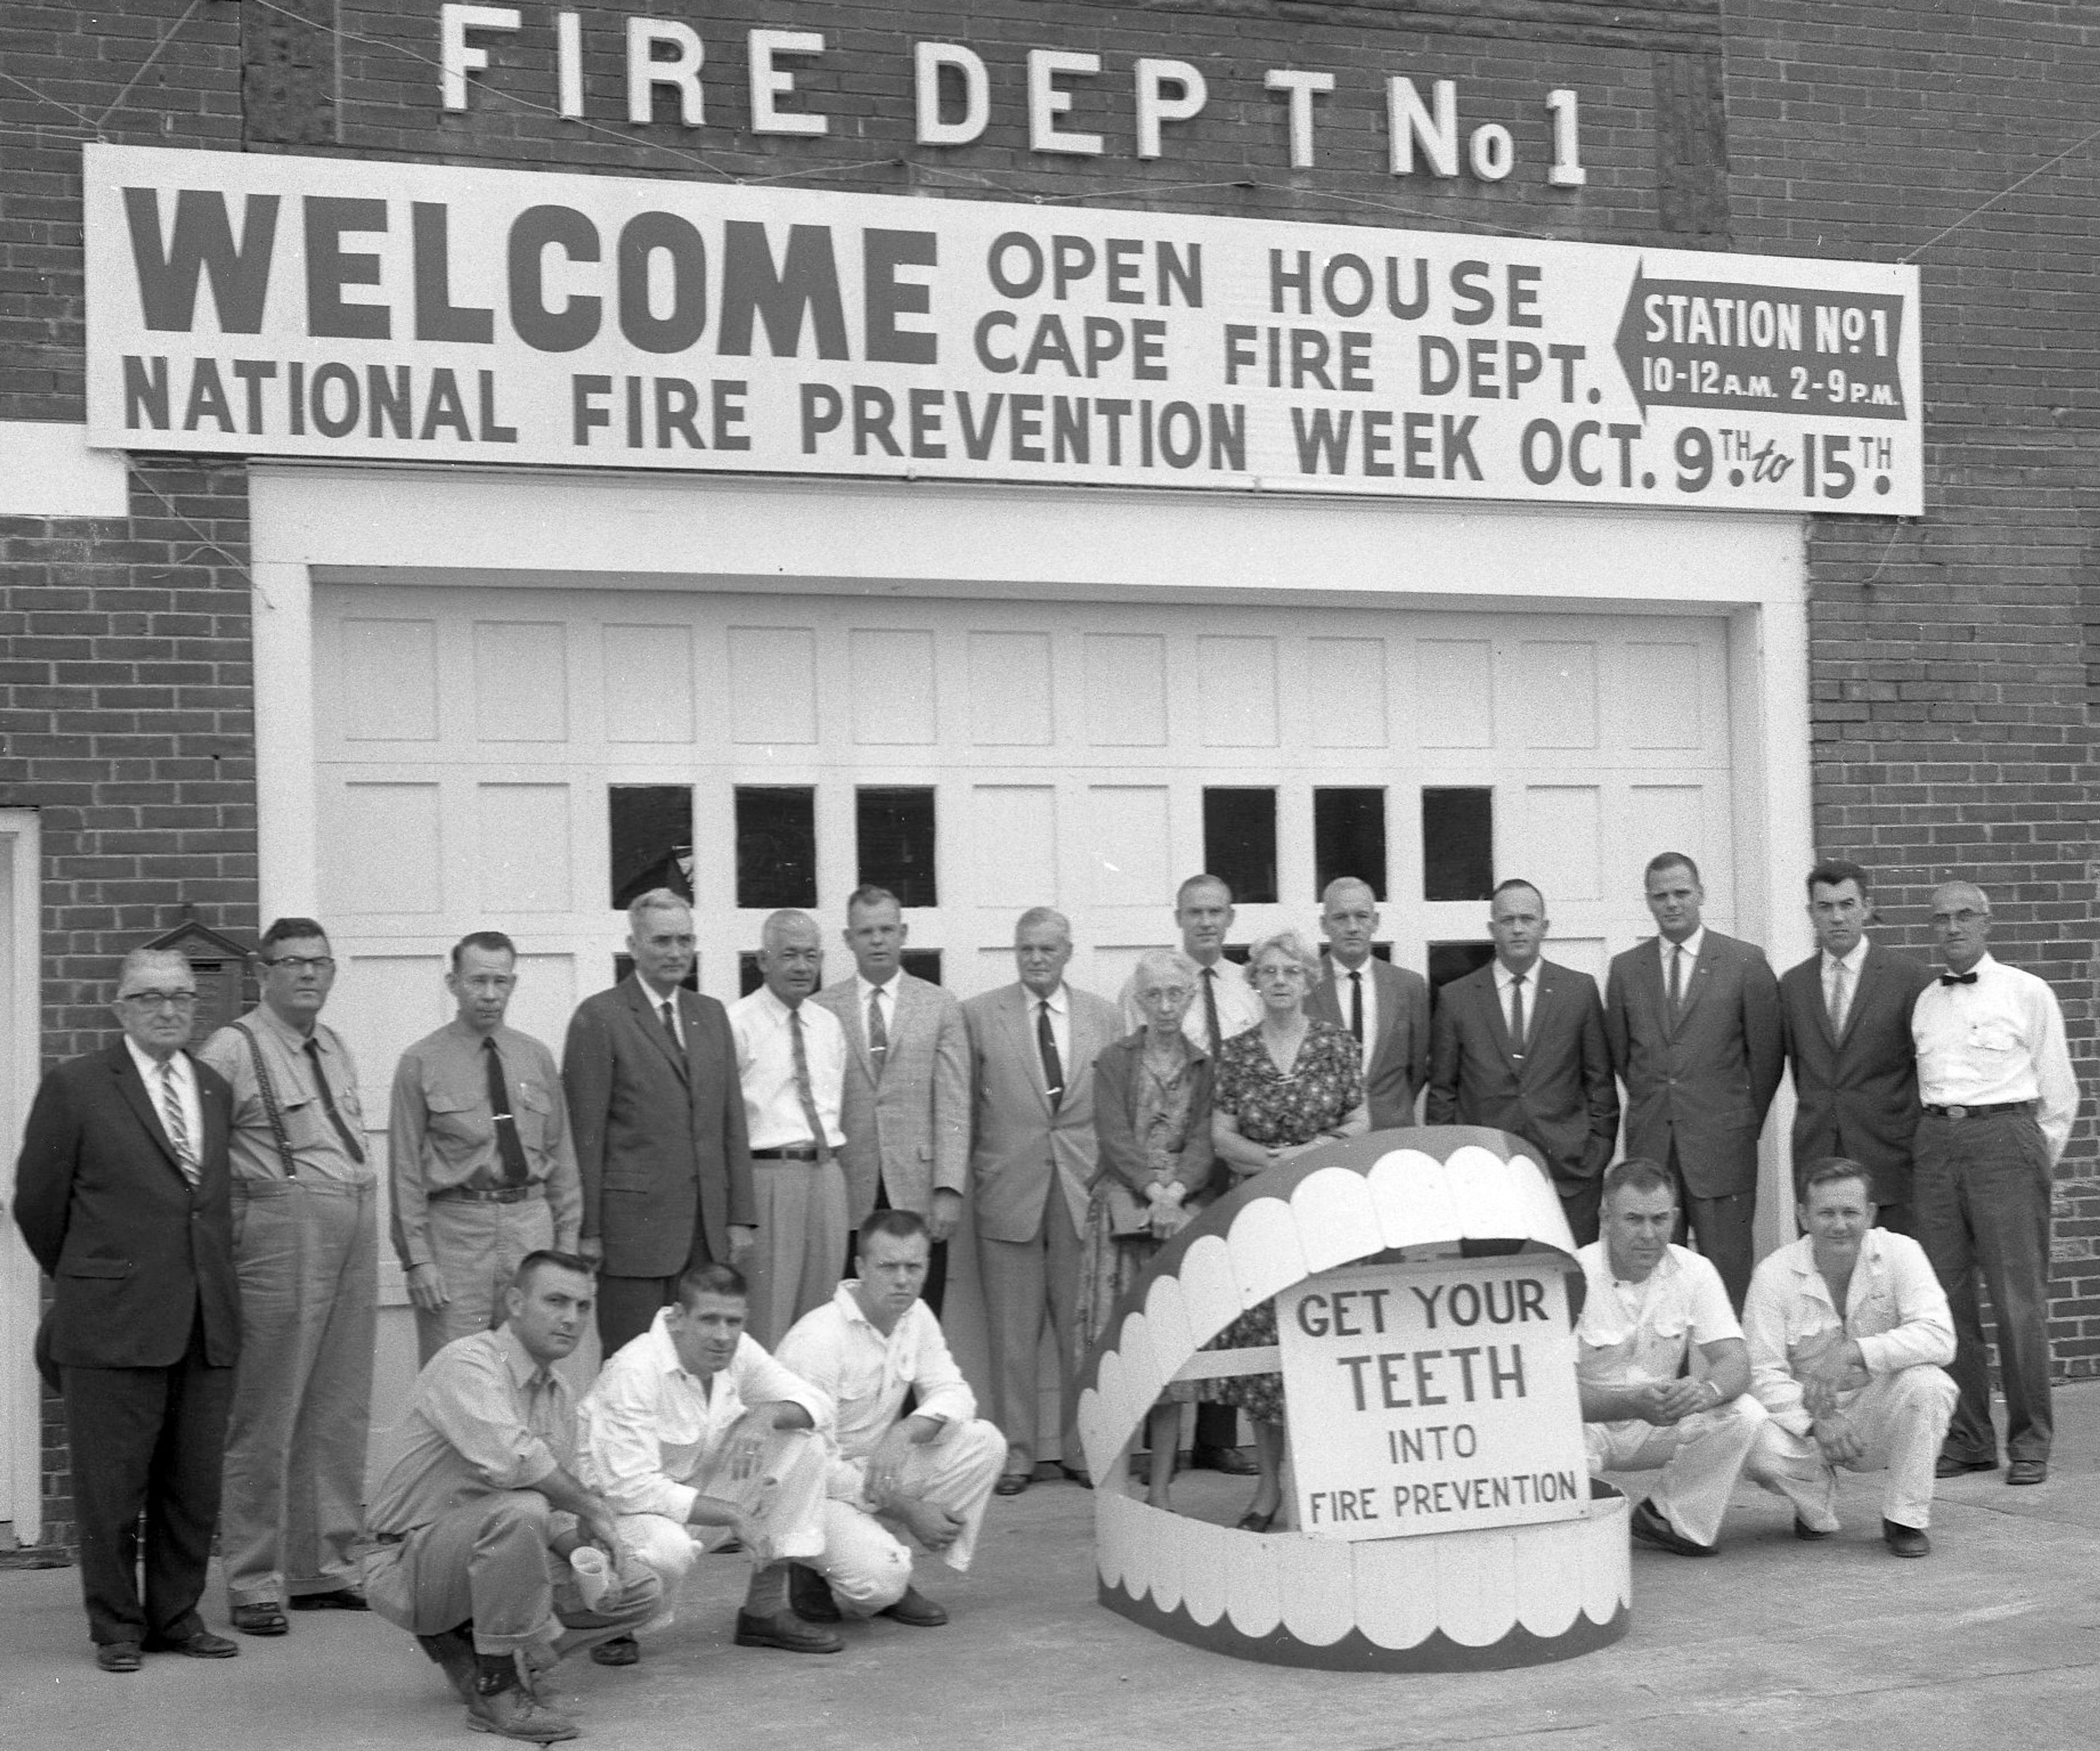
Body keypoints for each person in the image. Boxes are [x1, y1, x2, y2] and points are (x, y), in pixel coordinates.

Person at [14, 949, 242, 1672]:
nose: (168, 1009)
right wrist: (91, 1278)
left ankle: (176, 1617)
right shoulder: (76, 1086)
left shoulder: (210, 1087)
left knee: (191, 1484)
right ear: (120, 1007)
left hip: (203, 1318)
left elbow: (207, 1203)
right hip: (111, 1320)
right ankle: (116, 1625)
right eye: (149, 997)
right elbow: (38, 1203)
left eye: (180, 995)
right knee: (111, 1487)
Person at [363, 1252, 662, 1744]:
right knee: (520, 1511)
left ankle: (505, 1652)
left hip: (489, 1553)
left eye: (584, 1306)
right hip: (406, 1561)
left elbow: (557, 1515)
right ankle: (498, 1690)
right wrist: (592, 1506)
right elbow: (514, 1463)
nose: (571, 1319)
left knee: (641, 1588)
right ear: (516, 1303)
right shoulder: (469, 1362)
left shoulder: (559, 1394)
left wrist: (593, 1553)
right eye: (556, 1301)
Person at [198, 916, 377, 1635]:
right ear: (264, 970)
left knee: (338, 1406)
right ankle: (254, 1579)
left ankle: (321, 1565)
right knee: (266, 1408)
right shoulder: (231, 1048)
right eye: (294, 962)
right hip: (279, 1232)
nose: (308, 974)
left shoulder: (333, 1045)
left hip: (353, 1222)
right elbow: (201, 1163)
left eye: (320, 963)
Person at [575, 1261, 845, 1667]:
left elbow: (820, 1406)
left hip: (689, 1499)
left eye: (733, 1321)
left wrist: (764, 1414)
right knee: (669, 1547)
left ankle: (765, 1612)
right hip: (618, 1517)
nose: (723, 1336)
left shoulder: (738, 1351)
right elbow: (630, 1490)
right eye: (709, 1320)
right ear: (679, 1317)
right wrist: (732, 1513)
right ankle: (614, 1623)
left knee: (803, 1444)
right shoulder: (635, 1369)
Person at [1910, 880, 2079, 1486]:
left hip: (2005, 1141)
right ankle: (1970, 1437)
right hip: (1936, 1144)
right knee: (1947, 1302)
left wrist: (2029, 1160)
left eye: (1964, 916)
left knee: (2017, 1301)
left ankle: (2031, 1439)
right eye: (1941, 919)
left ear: (1986, 923)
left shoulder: (2027, 992)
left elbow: (2059, 1095)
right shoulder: (1925, 1002)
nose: (1952, 928)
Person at [1208, 928, 1368, 1532]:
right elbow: (1220, 1136)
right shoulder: (1239, 1052)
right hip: (1259, 1216)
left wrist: (1313, 1150)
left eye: (1290, 972)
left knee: (1323, 1350)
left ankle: (1332, 1483)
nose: (1279, 981)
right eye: (1269, 971)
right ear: (1255, 981)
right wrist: (1271, 1162)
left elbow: (1361, 1120)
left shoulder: (1335, 1044)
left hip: (1325, 1217)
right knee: (1265, 1356)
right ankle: (1269, 1489)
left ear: (1309, 980)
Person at [777, 1212, 1006, 1627]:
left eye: (914, 1267)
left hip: (871, 1473)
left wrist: (904, 1432)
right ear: (862, 1268)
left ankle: (885, 1557)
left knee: (984, 1442)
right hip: (811, 1491)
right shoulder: (818, 1340)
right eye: (888, 1266)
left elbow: (956, 1394)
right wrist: (909, 1509)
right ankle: (810, 1564)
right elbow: (808, 1464)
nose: (903, 1280)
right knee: (880, 1583)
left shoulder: (915, 1316)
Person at [966, 907, 1121, 1496]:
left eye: (1047, 949)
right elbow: (964, 1108)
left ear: (1068, 952)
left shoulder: (1103, 1017)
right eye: (1026, 949)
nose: (1036, 959)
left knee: (1084, 1329)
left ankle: (1085, 1448)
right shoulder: (981, 1016)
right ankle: (1017, 1454)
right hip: (1008, 1190)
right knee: (1011, 1334)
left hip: (1083, 1192)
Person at [562, 889, 755, 1356]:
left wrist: (740, 1217)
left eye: (685, 941)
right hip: (633, 1233)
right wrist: (587, 1229)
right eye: (662, 941)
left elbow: (732, 1122)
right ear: (633, 946)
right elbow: (583, 1135)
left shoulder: (710, 1015)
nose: (676, 953)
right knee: (634, 1363)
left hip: (705, 1231)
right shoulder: (599, 1016)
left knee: (702, 1363)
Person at [1115, 872, 1257, 1477]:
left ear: (1231, 919)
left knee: (1226, 1297)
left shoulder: (1247, 988)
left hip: (1234, 1153)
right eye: (1195, 911)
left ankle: (1218, 1437)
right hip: (1171, 1164)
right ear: (1178, 915)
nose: (1206, 922)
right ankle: (1159, 1446)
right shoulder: (1151, 984)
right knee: (1164, 1299)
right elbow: (1137, 1072)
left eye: (1217, 912)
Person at [1742, 1159, 1957, 1556]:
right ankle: (1815, 1505)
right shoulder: (1773, 1274)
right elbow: (1761, 1373)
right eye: (1826, 1213)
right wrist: (1817, 1421)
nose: (1839, 1225)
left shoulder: (1901, 1253)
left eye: (1850, 1212)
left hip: (1877, 1414)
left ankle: (1905, 1518)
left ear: (1871, 1214)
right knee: (1752, 1439)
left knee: (1930, 1384)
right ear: (1803, 1216)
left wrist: (1854, 1351)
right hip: (1808, 1421)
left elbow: (1941, 1337)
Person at [389, 931, 584, 1363]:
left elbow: (562, 1158)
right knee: (455, 1368)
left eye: (501, 982)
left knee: (530, 1366)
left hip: (530, 1228)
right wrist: (418, 1260)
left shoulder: (536, 1058)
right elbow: (404, 1171)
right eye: (477, 981)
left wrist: (567, 1245)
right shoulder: (421, 1061)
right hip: (457, 1233)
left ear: (513, 983)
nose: (490, 995)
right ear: (452, 982)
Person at [1603, 853, 1784, 1308]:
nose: (1672, 904)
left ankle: (1733, 1378)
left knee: (1728, 1279)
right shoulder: (1627, 970)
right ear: (1648, 901)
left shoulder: (1744, 962)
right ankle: (1666, 1379)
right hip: (1653, 1148)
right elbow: (1626, 1059)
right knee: (1653, 1281)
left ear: (1702, 894)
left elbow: (1765, 1060)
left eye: (1682, 893)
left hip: (1722, 1148)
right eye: (1661, 896)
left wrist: (1737, 1123)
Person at [1576, 1158, 1766, 1556]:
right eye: (1634, 1220)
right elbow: (1550, 1395)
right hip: (1590, 1426)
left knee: (1744, 1413)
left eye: (1660, 1220)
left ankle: (1669, 1516)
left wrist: (1706, 1392)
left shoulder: (1694, 1271)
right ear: (1606, 1218)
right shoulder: (1571, 1276)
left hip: (1658, 1421)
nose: (1649, 1234)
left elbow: (1736, 1361)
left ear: (1675, 1218)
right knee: (1551, 1444)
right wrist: (1629, 1402)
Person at [1080, 950, 1215, 1508]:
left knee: (1170, 1355)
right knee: (1118, 1353)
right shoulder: (1115, 1060)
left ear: (1190, 999)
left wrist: (1178, 1191)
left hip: (1178, 1213)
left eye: (1175, 994)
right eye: (1154, 994)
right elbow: (1113, 1135)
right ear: (1139, 1000)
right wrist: (1153, 1189)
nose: (1165, 1005)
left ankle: (1160, 1490)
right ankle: (1113, 1491)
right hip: (1121, 1210)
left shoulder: (1205, 1065)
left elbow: (1206, 1138)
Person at [1426, 878, 1618, 1245]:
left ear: (1544, 927)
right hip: (1483, 1176)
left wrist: (1595, 1155)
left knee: (1571, 1283)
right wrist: (1453, 1164)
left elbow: (1600, 1083)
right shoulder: (1457, 998)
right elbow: (1442, 1093)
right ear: (1491, 928)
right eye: (1507, 919)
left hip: (1568, 1172)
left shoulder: (1578, 990)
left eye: (1527, 919)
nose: (1517, 928)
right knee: (1495, 1287)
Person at [815, 886, 969, 1315]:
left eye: (887, 929)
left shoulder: (939, 1005)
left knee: (919, 1316)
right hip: (848, 1187)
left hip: (917, 1186)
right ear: (848, 939)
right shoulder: (822, 1009)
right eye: (866, 932)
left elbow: (954, 1105)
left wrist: (948, 1188)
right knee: (849, 1315)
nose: (878, 940)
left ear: (903, 932)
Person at [1777, 860, 1935, 1234]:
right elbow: (1802, 1070)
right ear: (1810, 914)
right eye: (1825, 907)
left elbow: (1925, 1073)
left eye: (1847, 905)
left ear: (1866, 907)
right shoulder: (1793, 985)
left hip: (1889, 1156)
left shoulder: (1910, 979)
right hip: (1819, 1155)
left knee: (1890, 1272)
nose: (1836, 917)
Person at [728, 908, 851, 1347]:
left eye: (811, 956)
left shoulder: (829, 1025)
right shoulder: (737, 1023)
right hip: (768, 1179)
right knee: (769, 1316)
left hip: (826, 1176)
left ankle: (811, 1417)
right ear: (763, 961)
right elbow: (725, 1123)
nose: (802, 967)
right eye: (789, 955)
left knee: (822, 1321)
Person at [1306, 876, 1431, 1130]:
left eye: (1362, 916)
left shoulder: (1410, 986)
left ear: (1376, 922)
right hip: (1326, 1135)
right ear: (1324, 924)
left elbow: (1417, 1070)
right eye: (1341, 918)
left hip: (1392, 1131)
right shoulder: (1306, 986)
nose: (1353, 927)